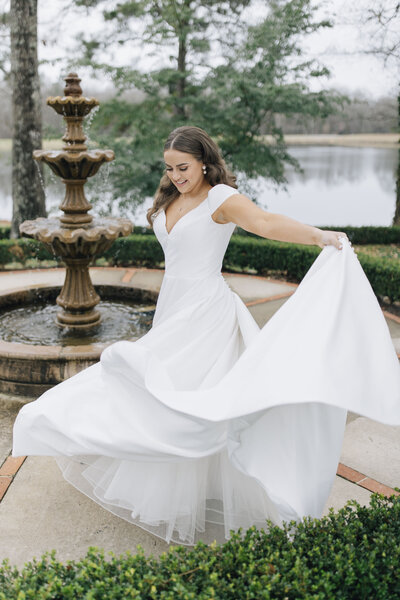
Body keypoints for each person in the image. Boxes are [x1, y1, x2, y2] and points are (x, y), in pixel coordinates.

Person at [12, 126, 400, 546]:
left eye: (183, 167)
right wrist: (172, 188)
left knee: (197, 399)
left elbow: (265, 222)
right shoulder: (170, 197)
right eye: (169, 168)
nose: (176, 175)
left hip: (207, 312)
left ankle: (225, 485)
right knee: (164, 390)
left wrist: (320, 236)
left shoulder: (220, 197)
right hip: (173, 309)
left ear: (204, 162)